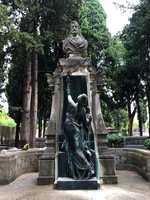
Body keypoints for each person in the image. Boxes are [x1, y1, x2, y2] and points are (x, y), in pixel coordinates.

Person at [64, 75, 95, 179]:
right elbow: (86, 124)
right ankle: (89, 168)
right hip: (72, 128)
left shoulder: (74, 105)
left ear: (79, 100)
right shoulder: (81, 110)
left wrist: (67, 83)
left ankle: (88, 168)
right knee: (76, 148)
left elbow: (68, 94)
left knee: (76, 149)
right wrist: (89, 119)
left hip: (70, 127)